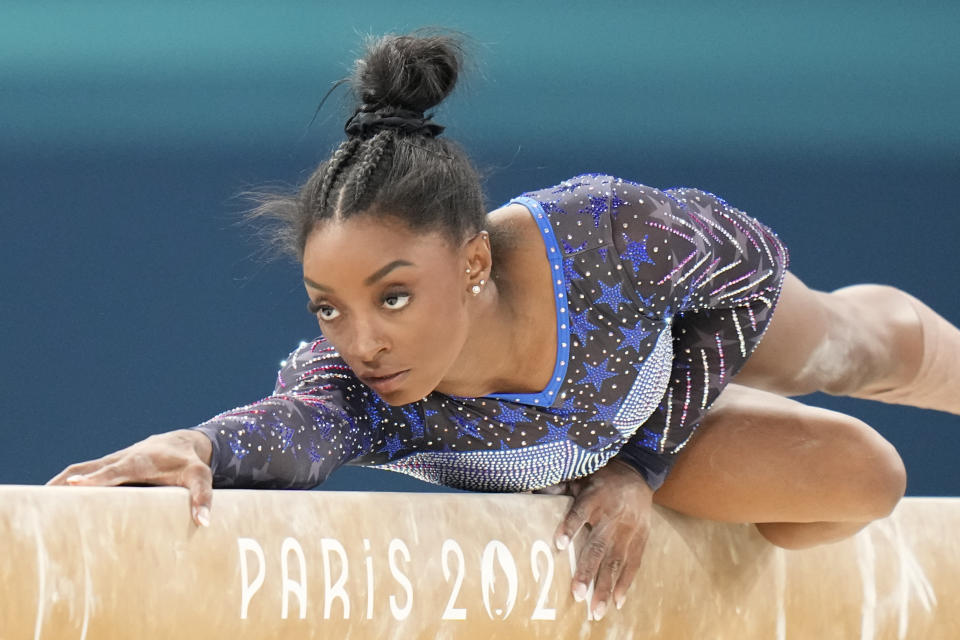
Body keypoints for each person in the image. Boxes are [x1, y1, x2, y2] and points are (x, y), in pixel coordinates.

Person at [48, 29, 960, 622]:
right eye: (328, 307)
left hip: (668, 345)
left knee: (848, 349)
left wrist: (640, 464)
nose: (362, 340)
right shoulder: (363, 392)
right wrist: (201, 446)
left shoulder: (610, 240)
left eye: (392, 295)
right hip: (588, 450)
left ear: (474, 264)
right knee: (864, 478)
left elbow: (751, 266)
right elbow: (294, 431)